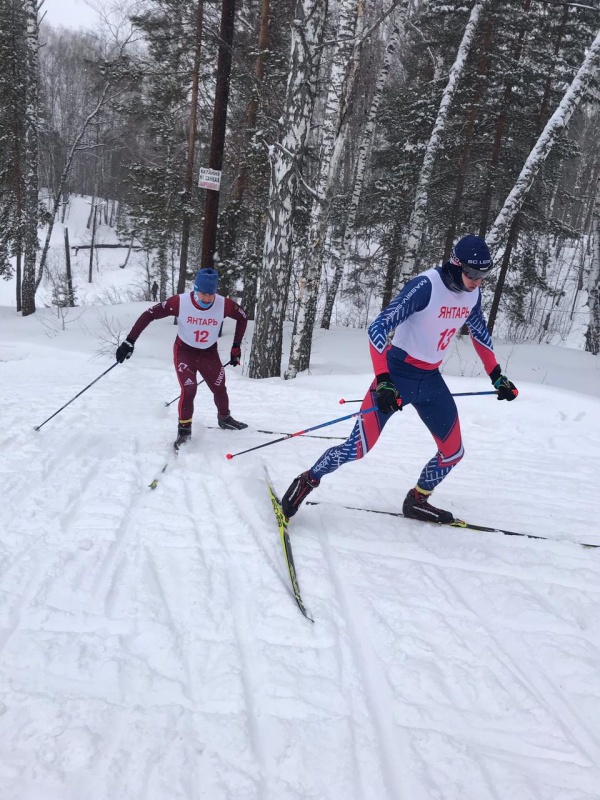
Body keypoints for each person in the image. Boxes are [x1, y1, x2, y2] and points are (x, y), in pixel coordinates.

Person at [281, 235, 518, 523]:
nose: (477, 280)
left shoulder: (473, 294)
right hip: (397, 375)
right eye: (472, 273)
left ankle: (417, 499)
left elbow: (480, 333)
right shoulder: (426, 286)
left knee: (453, 452)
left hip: (430, 380)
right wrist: (383, 380)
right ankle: (308, 479)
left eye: (483, 274)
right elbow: (378, 328)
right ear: (456, 265)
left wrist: (497, 376)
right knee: (357, 448)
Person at [116, 267, 249, 449]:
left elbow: (243, 317)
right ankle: (184, 432)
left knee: (219, 388)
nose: (207, 298)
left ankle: (224, 418)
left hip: (209, 353)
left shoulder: (223, 304)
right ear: (195, 289)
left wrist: (236, 346)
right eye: (203, 293)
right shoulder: (180, 302)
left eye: (211, 294)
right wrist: (130, 341)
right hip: (185, 352)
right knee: (189, 389)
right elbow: (150, 314)